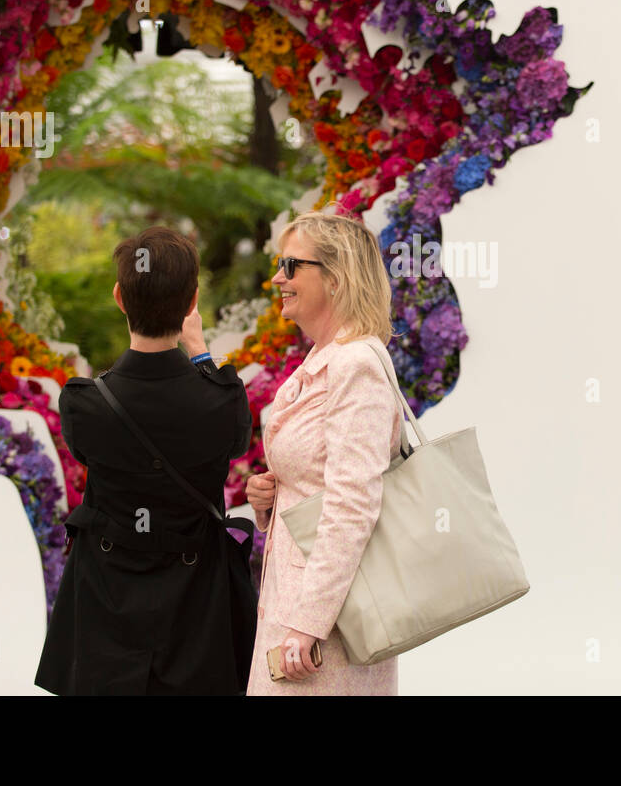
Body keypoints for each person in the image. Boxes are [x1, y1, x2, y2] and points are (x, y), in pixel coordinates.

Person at [34, 226, 256, 695]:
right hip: (197, 612)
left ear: (119, 296)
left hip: (107, 609)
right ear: (192, 301)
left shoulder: (83, 402)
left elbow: (86, 452)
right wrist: (200, 353)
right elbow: (235, 437)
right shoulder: (221, 401)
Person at [244, 211, 403, 695]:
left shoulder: (355, 365)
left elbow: (353, 503)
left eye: (290, 266)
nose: (277, 279)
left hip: (323, 630)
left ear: (334, 278)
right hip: (298, 613)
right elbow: (320, 483)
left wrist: (308, 624)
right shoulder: (323, 358)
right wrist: (270, 501)